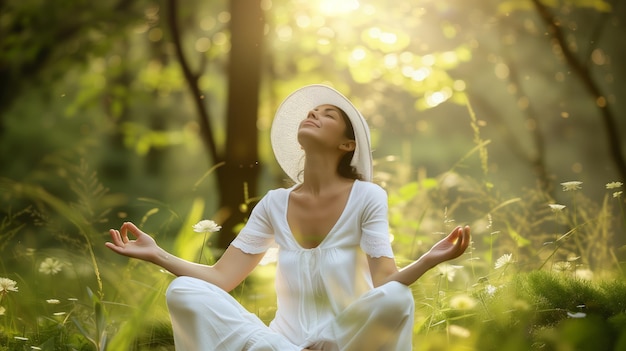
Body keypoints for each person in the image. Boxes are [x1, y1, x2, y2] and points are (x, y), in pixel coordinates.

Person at [106, 84, 471, 351]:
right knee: (184, 291)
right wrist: (157, 254)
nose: (313, 113)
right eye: (313, 111)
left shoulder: (368, 197)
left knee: (397, 300)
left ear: (347, 145)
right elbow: (221, 277)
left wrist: (427, 260)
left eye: (328, 115)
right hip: (278, 342)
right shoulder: (274, 204)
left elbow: (386, 282)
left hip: (344, 341)